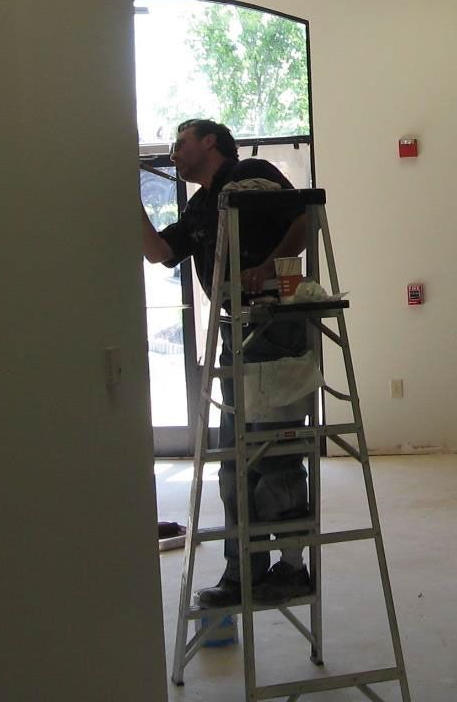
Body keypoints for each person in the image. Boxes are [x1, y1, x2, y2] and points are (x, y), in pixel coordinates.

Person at [142, 119, 315, 607]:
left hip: (272, 327)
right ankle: (244, 573)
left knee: (275, 452)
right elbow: (158, 252)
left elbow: (305, 218)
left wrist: (270, 264)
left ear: (209, 142)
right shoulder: (199, 206)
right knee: (235, 462)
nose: (173, 151)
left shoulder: (252, 173)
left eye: (180, 142)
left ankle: (293, 570)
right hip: (234, 334)